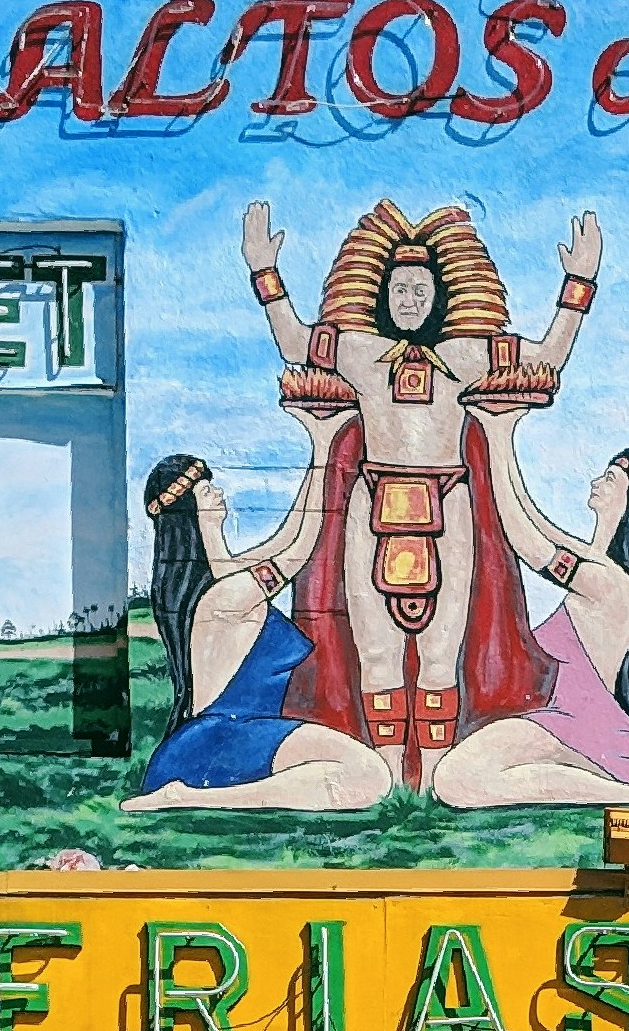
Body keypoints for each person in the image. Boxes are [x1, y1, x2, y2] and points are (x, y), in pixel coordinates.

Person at [238, 197, 599, 788]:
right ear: (380, 294)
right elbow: (294, 342)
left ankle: (430, 779)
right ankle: (386, 778)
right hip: (370, 508)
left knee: (439, 655)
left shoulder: (469, 353)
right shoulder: (356, 351)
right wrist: (264, 270)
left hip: (449, 508)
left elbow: (546, 356)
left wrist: (578, 284)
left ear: (442, 295)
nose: (409, 300)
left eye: (420, 290)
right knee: (377, 653)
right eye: (399, 289)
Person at [434, 430, 629, 810]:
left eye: (610, 478)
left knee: (456, 779)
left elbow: (523, 538)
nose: (596, 482)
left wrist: (496, 434)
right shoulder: (596, 564)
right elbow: (532, 518)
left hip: (578, 723)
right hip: (562, 718)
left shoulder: (607, 581)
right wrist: (501, 437)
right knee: (462, 777)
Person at [122, 432, 390, 811]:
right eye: (205, 490)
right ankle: (192, 798)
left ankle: (196, 796)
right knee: (370, 776)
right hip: (223, 740)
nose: (217, 492)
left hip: (233, 737)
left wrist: (320, 449)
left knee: (363, 774)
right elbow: (300, 548)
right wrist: (324, 448)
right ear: (189, 508)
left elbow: (287, 536)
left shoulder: (227, 585)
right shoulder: (227, 597)